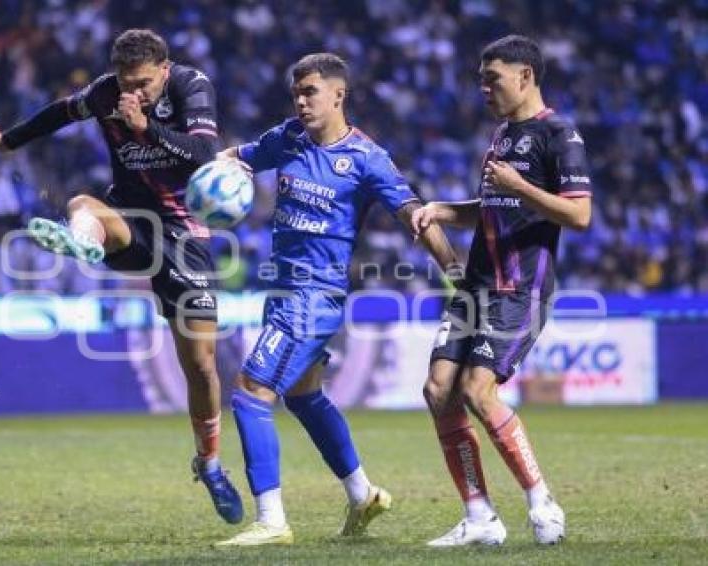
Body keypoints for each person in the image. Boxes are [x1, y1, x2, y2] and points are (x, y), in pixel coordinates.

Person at [0, 28, 243, 525]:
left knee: (201, 365)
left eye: (143, 83)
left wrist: (147, 128)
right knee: (83, 201)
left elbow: (206, 155)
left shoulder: (191, 86)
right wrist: (7, 141)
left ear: (164, 70)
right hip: (130, 222)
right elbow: (60, 113)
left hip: (184, 233)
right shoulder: (105, 94)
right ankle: (84, 237)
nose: (132, 92)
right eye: (126, 83)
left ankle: (209, 463)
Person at [214, 53, 461, 547]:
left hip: (313, 296)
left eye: (310, 92)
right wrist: (214, 168)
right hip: (281, 291)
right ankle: (362, 494)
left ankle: (272, 520)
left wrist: (457, 272)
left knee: (250, 392)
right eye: (296, 94)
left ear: (338, 95)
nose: (301, 102)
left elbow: (415, 215)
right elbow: (238, 156)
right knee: (303, 396)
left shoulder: (367, 159)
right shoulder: (288, 138)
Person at [419, 35, 592, 546]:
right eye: (481, 80)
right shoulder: (501, 136)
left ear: (525, 76)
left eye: (491, 79)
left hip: (519, 287)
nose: (483, 88)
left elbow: (579, 214)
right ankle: (479, 517)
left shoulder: (559, 134)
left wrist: (522, 187)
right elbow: (495, 207)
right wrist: (445, 211)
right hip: (476, 284)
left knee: (477, 390)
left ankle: (542, 502)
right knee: (438, 390)